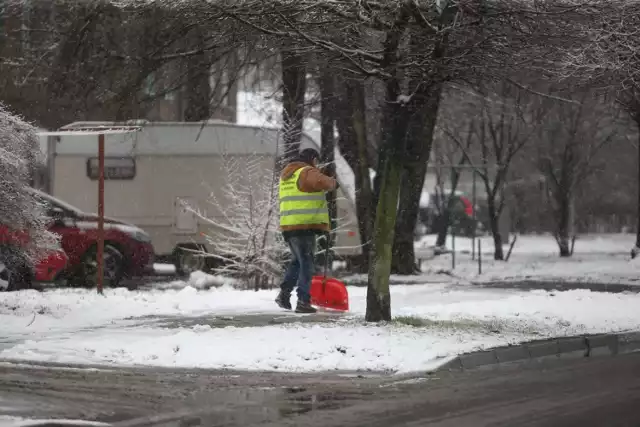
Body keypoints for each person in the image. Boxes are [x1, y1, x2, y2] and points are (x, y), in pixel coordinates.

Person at [276, 148, 338, 313]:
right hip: (303, 227)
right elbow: (323, 183)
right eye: (316, 161)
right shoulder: (306, 171)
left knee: (298, 262)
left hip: (289, 226)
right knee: (307, 264)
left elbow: (309, 185)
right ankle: (303, 301)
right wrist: (333, 181)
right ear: (312, 159)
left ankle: (283, 295)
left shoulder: (289, 174)